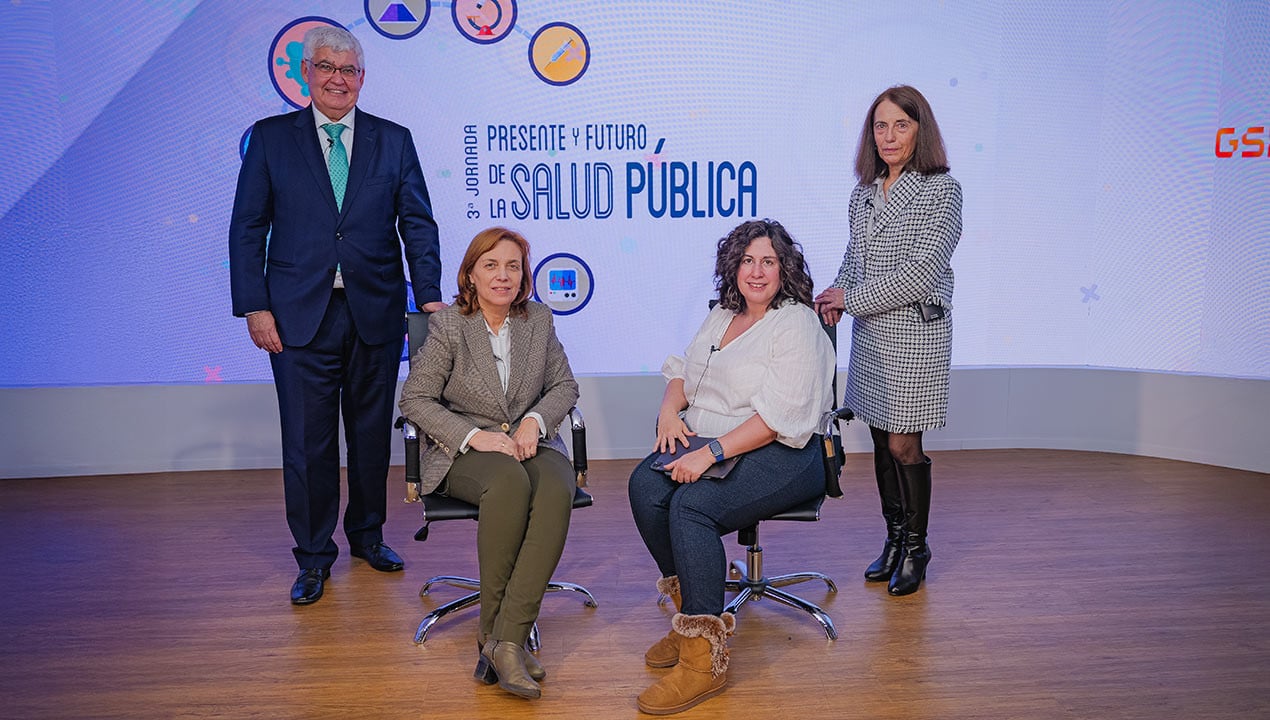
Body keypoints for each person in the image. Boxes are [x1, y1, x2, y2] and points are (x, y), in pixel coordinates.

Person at [229, 26, 445, 606]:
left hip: (375, 313)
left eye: (348, 71)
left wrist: (429, 299)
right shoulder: (272, 140)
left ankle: (368, 536)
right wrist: (255, 304)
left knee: (372, 436)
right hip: (297, 317)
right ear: (306, 74)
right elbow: (248, 228)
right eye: (326, 67)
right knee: (307, 443)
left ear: (362, 79)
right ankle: (313, 556)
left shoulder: (393, 141)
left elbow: (418, 225)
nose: (337, 79)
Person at [628, 219, 836, 715]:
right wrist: (667, 410)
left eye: (769, 261)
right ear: (733, 266)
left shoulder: (797, 323)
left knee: (692, 507)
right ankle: (693, 627)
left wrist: (710, 453)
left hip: (783, 450)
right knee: (645, 488)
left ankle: (705, 663)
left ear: (785, 268)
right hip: (711, 438)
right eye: (747, 261)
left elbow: (778, 417)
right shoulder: (723, 313)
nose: (757, 271)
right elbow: (685, 370)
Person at [398, 227, 579, 701]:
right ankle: (500, 639)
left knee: (557, 484)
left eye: (513, 266)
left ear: (524, 276)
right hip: (464, 450)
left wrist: (534, 421)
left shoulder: (538, 320)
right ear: (471, 275)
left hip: (526, 442)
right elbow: (414, 399)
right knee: (509, 485)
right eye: (491, 266)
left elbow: (564, 387)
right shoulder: (450, 326)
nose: (503, 276)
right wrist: (475, 436)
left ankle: (504, 641)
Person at [813, 84, 963, 597]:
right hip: (872, 335)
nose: (889, 136)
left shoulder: (941, 190)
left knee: (904, 443)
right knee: (879, 437)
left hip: (915, 336)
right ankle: (894, 539)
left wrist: (850, 299)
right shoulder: (863, 192)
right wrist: (833, 295)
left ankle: (917, 547)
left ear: (921, 131)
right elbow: (854, 260)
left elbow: (922, 273)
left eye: (901, 125)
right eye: (881, 125)